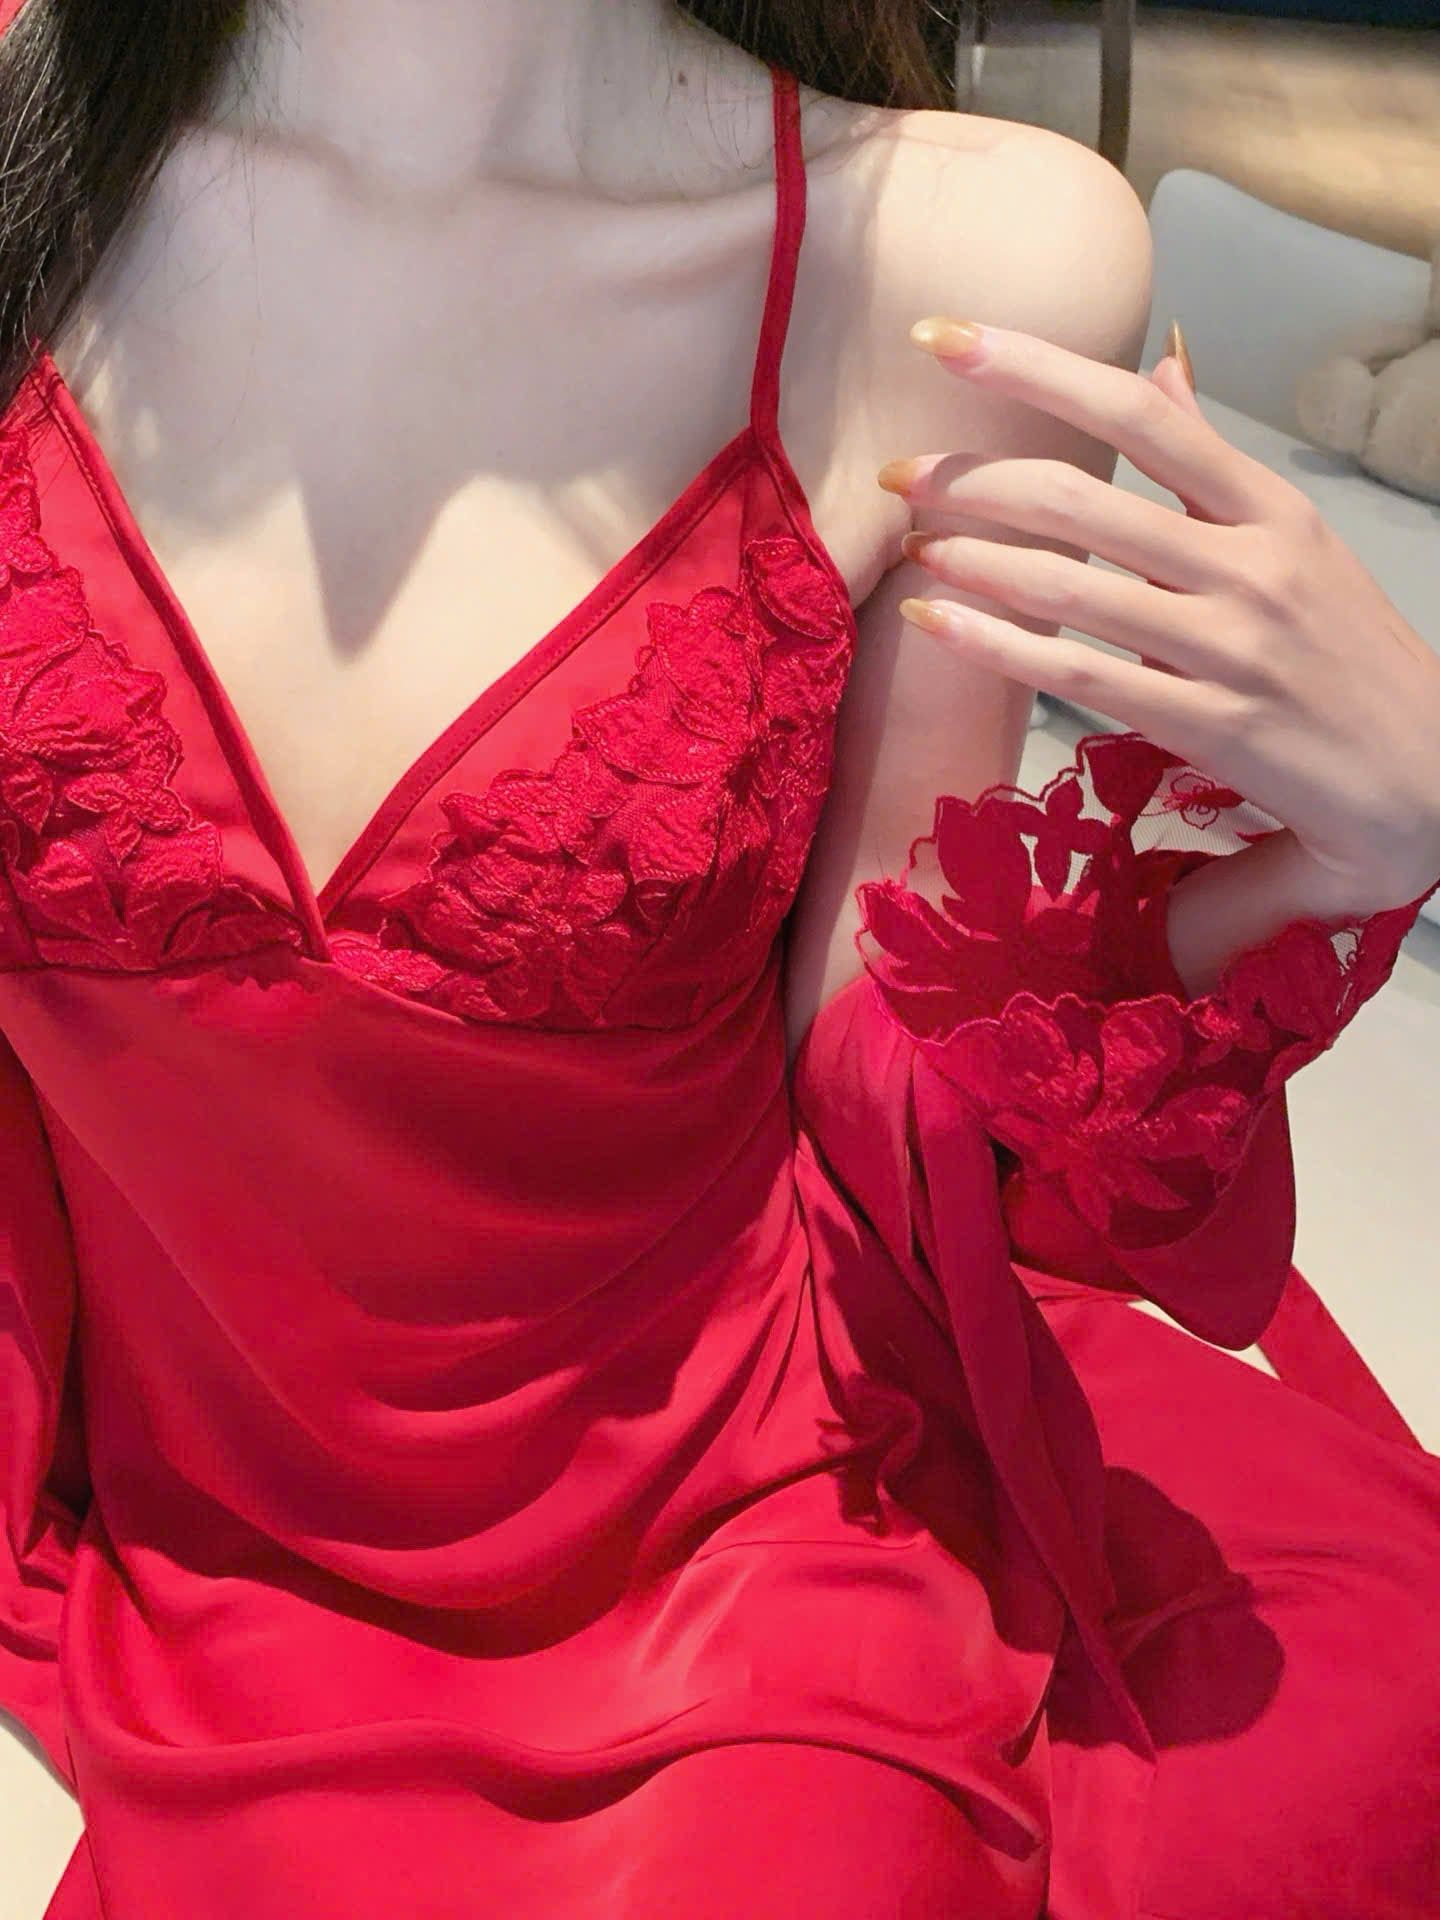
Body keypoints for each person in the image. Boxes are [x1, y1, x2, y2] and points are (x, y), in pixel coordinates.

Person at [0, 2, 1436, 1915]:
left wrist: (1361, 846)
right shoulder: (30, 156)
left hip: (723, 1526)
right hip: (181, 1480)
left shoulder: (950, 254)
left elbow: (891, 1027)